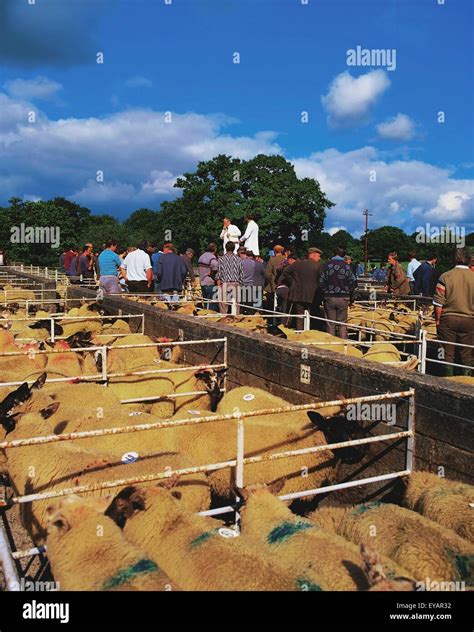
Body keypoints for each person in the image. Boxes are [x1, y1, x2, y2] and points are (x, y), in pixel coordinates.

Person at [433, 247, 473, 376]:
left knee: (447, 353)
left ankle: (447, 383)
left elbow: (439, 302)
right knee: (467, 354)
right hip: (469, 320)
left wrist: (438, 320)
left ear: (455, 259)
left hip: (448, 319)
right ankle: (466, 384)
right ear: (469, 259)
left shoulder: (445, 276)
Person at [319, 247, 355, 339]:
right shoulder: (347, 266)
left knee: (331, 324)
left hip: (329, 297)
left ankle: (331, 345)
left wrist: (325, 292)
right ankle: (343, 345)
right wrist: (350, 295)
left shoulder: (326, 265)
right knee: (342, 324)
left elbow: (321, 280)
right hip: (343, 297)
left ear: (334, 254)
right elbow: (352, 281)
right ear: (343, 255)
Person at [285, 247, 322, 330]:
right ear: (313, 255)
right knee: (313, 316)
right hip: (312, 295)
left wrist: (293, 282)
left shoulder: (297, 264)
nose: (319, 259)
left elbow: (286, 272)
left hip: (298, 294)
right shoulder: (319, 266)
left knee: (300, 316)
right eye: (318, 256)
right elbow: (322, 279)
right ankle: (311, 334)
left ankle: (299, 332)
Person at [216, 241, 244, 314]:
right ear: (234, 249)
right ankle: (236, 317)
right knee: (236, 304)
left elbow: (219, 273)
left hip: (225, 283)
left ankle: (224, 317)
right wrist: (240, 284)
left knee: (222, 303)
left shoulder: (221, 259)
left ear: (226, 248)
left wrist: (219, 285)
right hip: (236, 283)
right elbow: (241, 273)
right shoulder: (239, 259)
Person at [264, 245, 286, 312]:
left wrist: (271, 281)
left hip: (274, 284)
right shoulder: (285, 259)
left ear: (274, 251)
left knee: (273, 303)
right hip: (285, 284)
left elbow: (268, 274)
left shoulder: (272, 260)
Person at [198, 242, 219, 310]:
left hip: (202, 281)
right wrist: (212, 273)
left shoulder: (201, 256)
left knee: (206, 302)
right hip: (209, 282)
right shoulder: (212, 258)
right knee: (212, 304)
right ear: (215, 249)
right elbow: (216, 266)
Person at [238, 247, 256, 313]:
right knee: (249, 304)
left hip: (242, 284)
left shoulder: (240, 263)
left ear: (240, 253)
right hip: (250, 284)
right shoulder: (253, 262)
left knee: (241, 304)